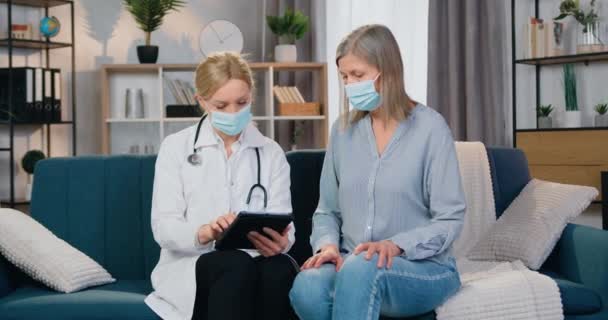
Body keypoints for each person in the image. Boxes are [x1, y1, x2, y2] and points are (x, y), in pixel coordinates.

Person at [289, 24, 466, 319]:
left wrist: (396, 245)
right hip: (352, 262)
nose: (350, 84)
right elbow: (327, 211)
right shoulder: (343, 130)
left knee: (362, 269)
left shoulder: (431, 129)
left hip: (423, 269)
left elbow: (450, 219)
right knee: (307, 287)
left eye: (358, 75)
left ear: (387, 70)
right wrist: (328, 246)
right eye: (345, 77)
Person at [145, 52, 298, 320]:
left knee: (281, 268)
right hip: (193, 264)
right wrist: (205, 232)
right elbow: (164, 228)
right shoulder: (176, 148)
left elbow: (285, 223)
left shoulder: (270, 152)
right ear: (201, 101)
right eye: (221, 105)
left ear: (251, 96)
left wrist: (281, 243)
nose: (233, 113)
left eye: (242, 102)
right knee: (235, 264)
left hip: (255, 259)